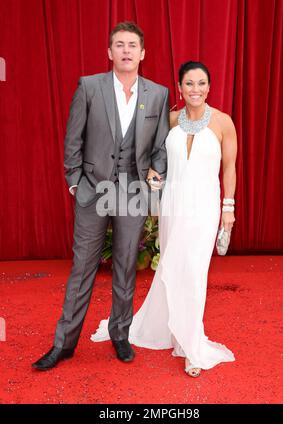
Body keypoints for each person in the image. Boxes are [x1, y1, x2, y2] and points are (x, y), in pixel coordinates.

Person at [32, 22, 169, 371]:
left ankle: (120, 334)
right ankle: (63, 344)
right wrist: (75, 181)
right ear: (109, 52)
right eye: (119, 44)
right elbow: (72, 137)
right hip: (93, 191)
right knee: (82, 269)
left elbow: (160, 146)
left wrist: (157, 173)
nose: (126, 50)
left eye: (132, 45)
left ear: (142, 53)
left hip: (133, 192)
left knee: (125, 267)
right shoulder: (89, 87)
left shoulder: (158, 94)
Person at [91, 61, 237, 377]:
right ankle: (171, 329)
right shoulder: (169, 120)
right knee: (173, 266)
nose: (195, 89)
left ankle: (190, 346)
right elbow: (151, 159)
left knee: (195, 271)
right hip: (172, 203)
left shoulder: (223, 123)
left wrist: (229, 208)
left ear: (209, 87)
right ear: (180, 88)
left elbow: (229, 169)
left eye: (201, 83)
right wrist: (152, 179)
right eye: (189, 84)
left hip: (204, 206)